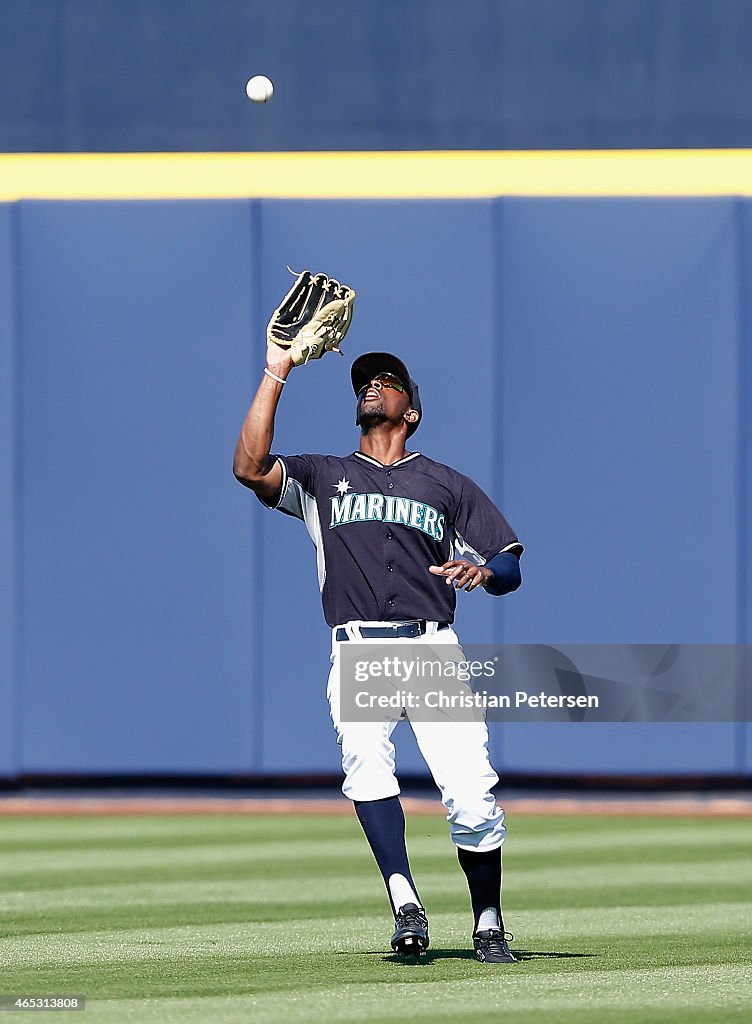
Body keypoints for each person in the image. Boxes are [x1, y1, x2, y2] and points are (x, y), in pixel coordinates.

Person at [233, 336, 524, 964]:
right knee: (367, 768)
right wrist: (275, 370)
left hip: (432, 649)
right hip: (359, 647)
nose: (372, 385)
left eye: (387, 380)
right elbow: (250, 467)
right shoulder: (322, 476)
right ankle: (405, 903)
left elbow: (508, 563)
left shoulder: (446, 484)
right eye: (365, 381)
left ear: (410, 409)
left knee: (472, 792)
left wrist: (486, 573)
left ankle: (488, 918)